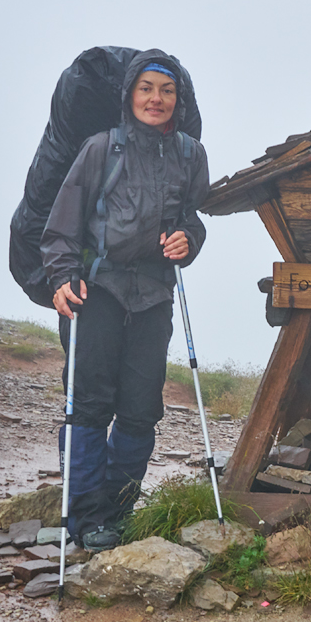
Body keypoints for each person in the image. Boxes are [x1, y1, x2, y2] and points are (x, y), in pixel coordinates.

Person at [41, 50, 210, 552]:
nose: (156, 99)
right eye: (147, 89)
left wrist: (188, 240)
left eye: (167, 90)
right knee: (90, 405)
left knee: (141, 409)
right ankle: (87, 515)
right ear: (130, 95)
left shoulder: (190, 155)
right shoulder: (100, 149)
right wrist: (60, 277)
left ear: (178, 100)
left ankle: (115, 511)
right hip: (97, 290)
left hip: (154, 294)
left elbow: (193, 219)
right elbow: (61, 226)